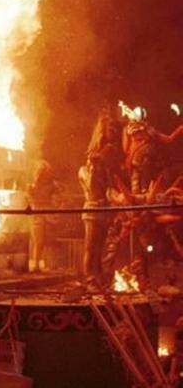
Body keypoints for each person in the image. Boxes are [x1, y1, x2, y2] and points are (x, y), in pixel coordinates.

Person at [79, 111, 122, 289]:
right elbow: (91, 185)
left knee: (101, 248)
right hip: (93, 208)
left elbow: (110, 187)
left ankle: (98, 279)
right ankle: (90, 280)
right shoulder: (94, 159)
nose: (113, 130)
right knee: (92, 247)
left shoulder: (106, 160)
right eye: (109, 127)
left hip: (104, 209)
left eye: (114, 127)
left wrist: (117, 199)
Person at [27, 160, 61, 273]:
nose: (43, 174)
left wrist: (55, 210)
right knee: (38, 241)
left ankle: (51, 265)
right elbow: (30, 200)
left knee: (50, 241)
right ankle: (36, 265)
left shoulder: (53, 186)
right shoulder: (31, 186)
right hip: (37, 215)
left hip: (48, 214)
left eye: (45, 172)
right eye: (42, 172)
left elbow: (59, 200)